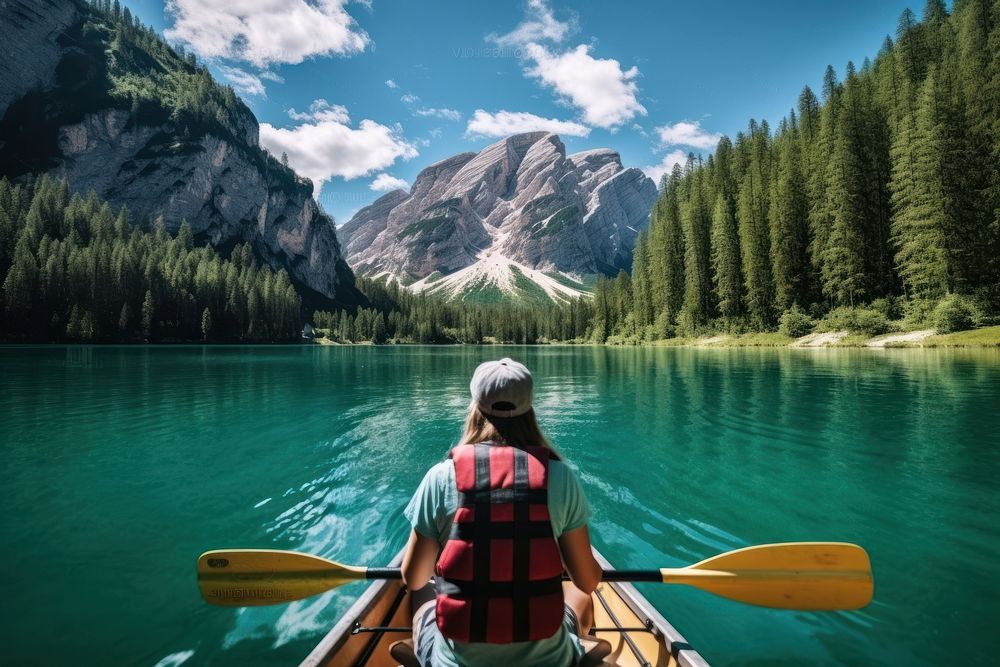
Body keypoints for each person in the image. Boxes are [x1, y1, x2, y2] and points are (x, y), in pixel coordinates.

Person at [400, 358, 603, 667]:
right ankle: (583, 648)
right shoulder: (560, 477)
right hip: (549, 663)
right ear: (530, 411)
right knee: (582, 598)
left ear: (474, 409)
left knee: (422, 597)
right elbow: (588, 581)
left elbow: (413, 578)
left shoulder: (441, 477)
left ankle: (421, 649)